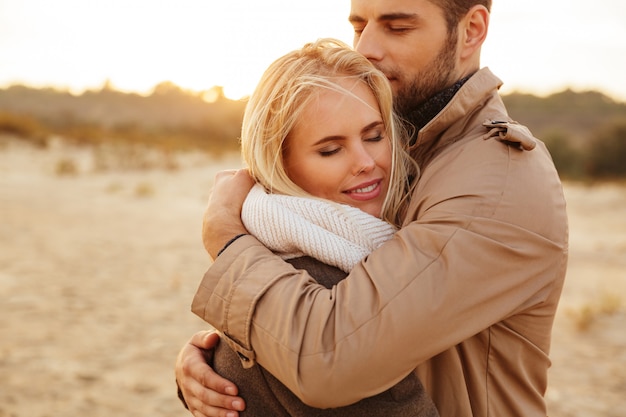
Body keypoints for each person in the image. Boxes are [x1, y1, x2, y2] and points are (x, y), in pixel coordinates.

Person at [178, 1, 569, 416]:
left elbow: (331, 357)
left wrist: (227, 237)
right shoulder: (410, 152)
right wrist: (221, 357)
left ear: (471, 30)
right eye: (359, 26)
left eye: (396, 27)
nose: (366, 48)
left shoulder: (495, 179)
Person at [183, 38, 439, 416]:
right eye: (330, 150)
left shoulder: (296, 256)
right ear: (280, 164)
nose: (366, 162)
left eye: (374, 135)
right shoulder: (318, 290)